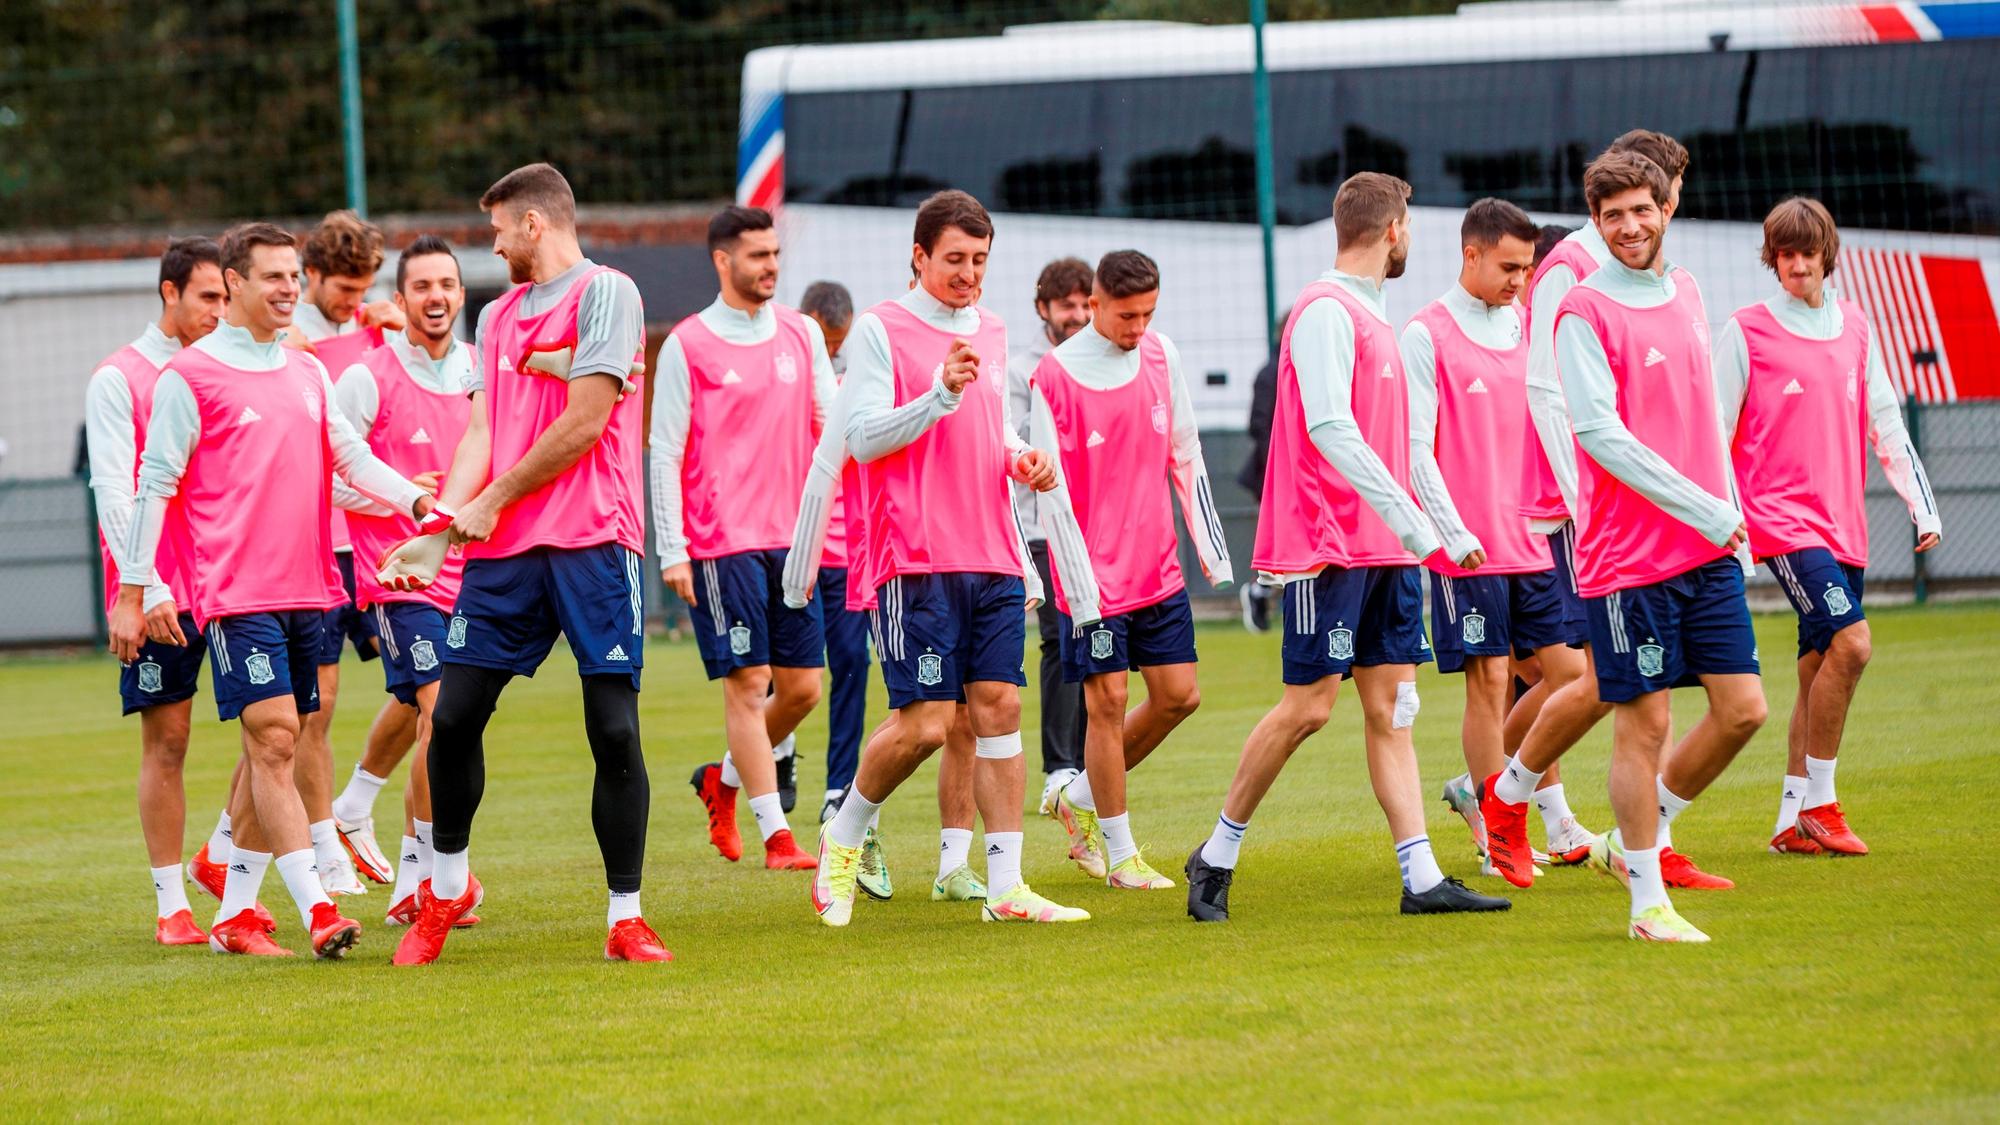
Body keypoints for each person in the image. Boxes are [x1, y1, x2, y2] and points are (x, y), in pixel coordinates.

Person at [1183, 173, 1506, 923]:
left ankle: (1421, 876)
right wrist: (1419, 526)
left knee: (1391, 711)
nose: (1411, 240)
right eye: (1411, 227)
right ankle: (1217, 852)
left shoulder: (1374, 315)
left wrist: (1431, 529)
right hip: (1328, 548)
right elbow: (1331, 429)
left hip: (1386, 554)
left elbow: (1398, 449)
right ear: (1394, 229)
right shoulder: (1325, 311)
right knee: (1309, 708)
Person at [378, 162, 669, 964]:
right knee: (456, 717)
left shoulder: (609, 293)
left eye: (499, 228)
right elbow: (481, 433)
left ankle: (625, 916)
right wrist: (442, 529)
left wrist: (491, 501)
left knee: (612, 724)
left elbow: (584, 423)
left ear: (535, 223)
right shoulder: (500, 316)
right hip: (503, 553)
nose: (494, 243)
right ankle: (443, 890)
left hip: (592, 542)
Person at [120, 221, 432, 957]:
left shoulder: (307, 371)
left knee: (277, 751)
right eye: (274, 277)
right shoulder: (188, 377)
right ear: (232, 284)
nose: (291, 288)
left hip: (312, 588)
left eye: (295, 276)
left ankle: (233, 915)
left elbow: (350, 457)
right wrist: (140, 589)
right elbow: (152, 486)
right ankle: (320, 906)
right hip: (235, 595)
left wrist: (419, 504)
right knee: (274, 739)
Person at [801, 189, 1088, 927]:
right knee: (926, 722)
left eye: (979, 260)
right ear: (919, 255)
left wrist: (1024, 458)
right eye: (954, 259)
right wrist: (935, 394)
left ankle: (1005, 887)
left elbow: (986, 432)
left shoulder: (990, 330)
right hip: (913, 555)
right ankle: (844, 835)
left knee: (999, 710)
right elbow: (860, 438)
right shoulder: (879, 331)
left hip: (991, 551)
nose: (968, 274)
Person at [1502, 150, 1766, 941]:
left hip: (1708, 546)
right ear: (1596, 218)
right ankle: (1648, 903)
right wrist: (1703, 508)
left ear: (1667, 206)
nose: (1629, 227)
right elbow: (1598, 435)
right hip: (1628, 558)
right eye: (1612, 214)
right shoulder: (1580, 307)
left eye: (1641, 210)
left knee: (1744, 709)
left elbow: (1705, 415)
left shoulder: (1685, 289)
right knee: (1641, 721)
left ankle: (1630, 840)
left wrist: (1728, 518)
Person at [1462, 131, 1692, 869]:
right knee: (1597, 677)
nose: (1665, 205)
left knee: (1622, 679)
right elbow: (1544, 389)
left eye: (1669, 191)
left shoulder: (1660, 279)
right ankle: (1508, 795)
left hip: (1638, 509)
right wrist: (1585, 499)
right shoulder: (1572, 270)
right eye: (1666, 184)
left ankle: (1633, 840)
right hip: (1584, 510)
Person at [1715, 196, 1941, 857]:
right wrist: (1731, 523)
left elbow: (1886, 422)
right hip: (1781, 521)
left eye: (1804, 253)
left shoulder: (1857, 328)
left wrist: (1921, 506)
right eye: (1782, 254)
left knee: (1818, 667)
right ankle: (1823, 802)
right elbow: (1712, 432)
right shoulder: (1746, 330)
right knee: (1854, 643)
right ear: (1771, 259)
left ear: (1825, 255)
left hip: (1844, 527)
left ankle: (1789, 820)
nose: (1793, 264)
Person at [1402, 198, 1595, 874]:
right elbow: (1415, 450)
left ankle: (1492, 792)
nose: (1521, 279)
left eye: (1529, 267)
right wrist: (1450, 534)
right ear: (1471, 255)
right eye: (1510, 266)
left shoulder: (1530, 326)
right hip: (1467, 547)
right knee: (1487, 684)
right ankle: (1494, 839)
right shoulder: (1425, 333)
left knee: (1572, 676)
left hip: (1533, 537)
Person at [1030, 249, 1233, 890]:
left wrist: (1213, 550)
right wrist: (1077, 585)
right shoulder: (1054, 376)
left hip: (1157, 570)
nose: (1138, 327)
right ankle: (1121, 857)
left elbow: (1186, 451)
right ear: (1093, 305)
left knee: (1179, 696)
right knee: (1108, 705)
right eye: (1126, 315)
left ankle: (1081, 798)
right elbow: (1049, 492)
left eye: (1148, 313)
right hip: (1090, 581)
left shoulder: (1161, 355)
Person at [653, 205, 828, 872]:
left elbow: (831, 423)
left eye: (775, 255)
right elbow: (663, 451)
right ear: (723, 262)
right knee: (749, 684)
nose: (771, 267)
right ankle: (777, 836)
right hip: (722, 543)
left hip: (794, 541)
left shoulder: (801, 334)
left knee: (805, 688)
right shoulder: (689, 344)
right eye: (757, 256)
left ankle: (721, 780)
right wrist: (673, 548)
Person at [331, 235, 485, 928]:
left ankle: (373, 832)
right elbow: (330, 478)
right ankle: (427, 878)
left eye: (447, 285)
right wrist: (405, 497)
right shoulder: (366, 377)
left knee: (435, 718)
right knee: (441, 716)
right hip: (398, 578)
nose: (436, 297)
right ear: (400, 300)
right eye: (421, 286)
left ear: (460, 293)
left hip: (473, 579)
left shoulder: (480, 372)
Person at [89, 236, 230, 944]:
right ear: (169, 293)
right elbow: (116, 493)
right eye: (207, 296)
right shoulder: (118, 378)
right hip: (161, 590)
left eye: (224, 296)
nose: (219, 310)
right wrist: (141, 588)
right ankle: (172, 904)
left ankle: (228, 864)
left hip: (234, 581)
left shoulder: (231, 369)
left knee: (289, 724)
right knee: (169, 739)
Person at [292, 210, 408, 895]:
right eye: (342, 287)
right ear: (311, 276)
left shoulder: (380, 328)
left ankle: (357, 807)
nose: (353, 299)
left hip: (382, 537)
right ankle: (322, 843)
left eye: (363, 286)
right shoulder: (290, 339)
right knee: (317, 705)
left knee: (427, 691)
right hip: (320, 542)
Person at [1010, 257, 1094, 809]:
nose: (1080, 315)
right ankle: (1061, 768)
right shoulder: (1022, 369)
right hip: (1041, 524)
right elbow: (1018, 443)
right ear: (1044, 308)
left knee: (1093, 640)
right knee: (1057, 642)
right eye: (1068, 304)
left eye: (1088, 303)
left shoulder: (1104, 361)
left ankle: (1088, 766)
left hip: (1096, 527)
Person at [798, 279, 873, 825]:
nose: (828, 356)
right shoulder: (785, 382)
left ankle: (837, 786)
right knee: (786, 674)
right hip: (793, 543)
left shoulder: (852, 387)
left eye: (835, 347)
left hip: (847, 553)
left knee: (851, 663)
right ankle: (773, 757)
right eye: (822, 345)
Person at [1236, 334, 1281, 634]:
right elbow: (1259, 425)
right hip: (1272, 478)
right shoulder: (1270, 373)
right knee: (1278, 548)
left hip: (1294, 478)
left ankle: (1261, 593)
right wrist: (1276, 475)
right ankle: (1258, 591)